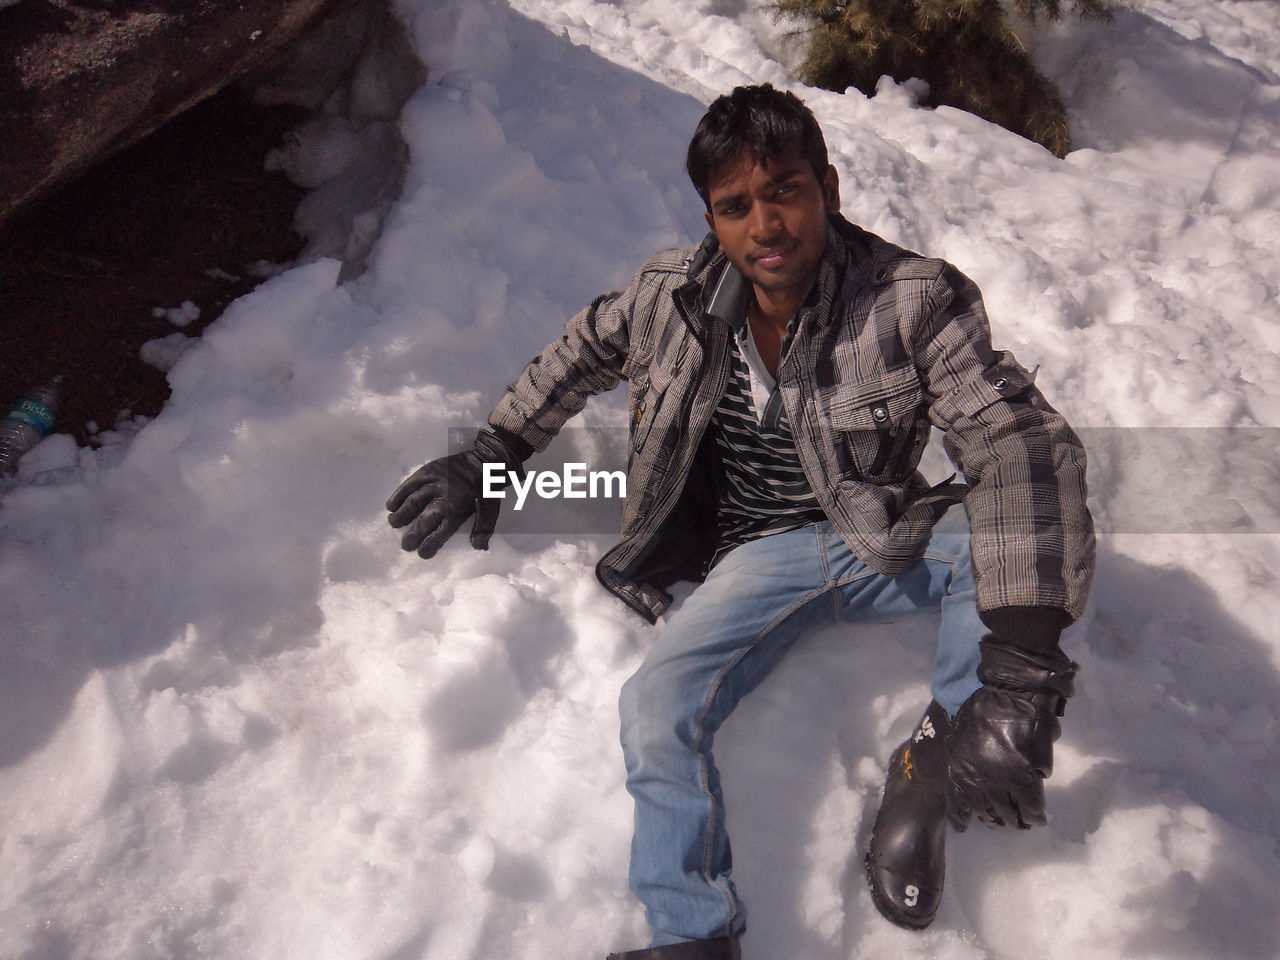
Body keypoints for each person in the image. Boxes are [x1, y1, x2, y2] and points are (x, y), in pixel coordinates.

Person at [386, 83, 1094, 960]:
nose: (766, 225)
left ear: (827, 188)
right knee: (655, 707)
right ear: (713, 221)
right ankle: (694, 936)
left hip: (881, 534)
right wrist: (491, 453)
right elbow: (581, 352)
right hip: (757, 559)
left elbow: (1018, 440)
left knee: (1004, 540)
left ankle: (933, 760)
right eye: (736, 206)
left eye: (785, 190)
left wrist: (1020, 674)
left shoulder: (912, 302)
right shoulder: (671, 299)